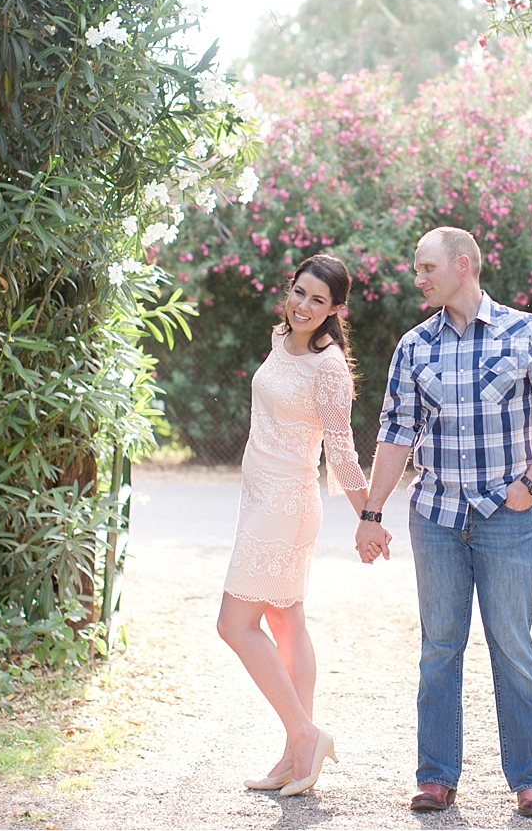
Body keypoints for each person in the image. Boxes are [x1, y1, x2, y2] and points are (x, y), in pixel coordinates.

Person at [354, 226, 532, 820]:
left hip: (505, 519)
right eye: (417, 268)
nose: (418, 278)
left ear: (463, 265)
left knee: (512, 645)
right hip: (435, 517)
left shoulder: (527, 332)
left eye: (427, 267)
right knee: (439, 648)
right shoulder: (414, 346)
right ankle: (435, 777)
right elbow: (395, 432)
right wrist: (372, 512)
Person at [216, 254, 368, 797]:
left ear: (335, 310)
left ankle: (306, 735)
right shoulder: (282, 337)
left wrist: (369, 517)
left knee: (234, 625)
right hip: (259, 497)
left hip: (287, 504)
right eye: (298, 292)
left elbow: (341, 451)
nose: (303, 305)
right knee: (285, 621)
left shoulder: (329, 368)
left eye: (317, 300)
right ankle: (295, 757)